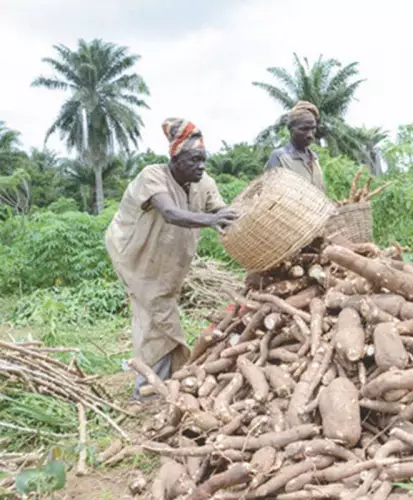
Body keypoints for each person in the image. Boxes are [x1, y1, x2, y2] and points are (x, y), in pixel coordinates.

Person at [105, 118, 237, 399]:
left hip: (167, 261)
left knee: (159, 312)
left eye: (204, 159)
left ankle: (167, 382)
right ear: (175, 159)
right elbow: (169, 212)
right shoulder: (153, 176)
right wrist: (210, 220)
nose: (201, 166)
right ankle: (147, 393)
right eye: (194, 160)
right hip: (136, 256)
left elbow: (222, 211)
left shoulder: (204, 183)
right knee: (157, 314)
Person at [265, 101, 326, 191]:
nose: (310, 135)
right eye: (304, 129)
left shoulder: (314, 158)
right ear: (291, 129)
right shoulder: (280, 157)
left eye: (313, 128)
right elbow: (270, 192)